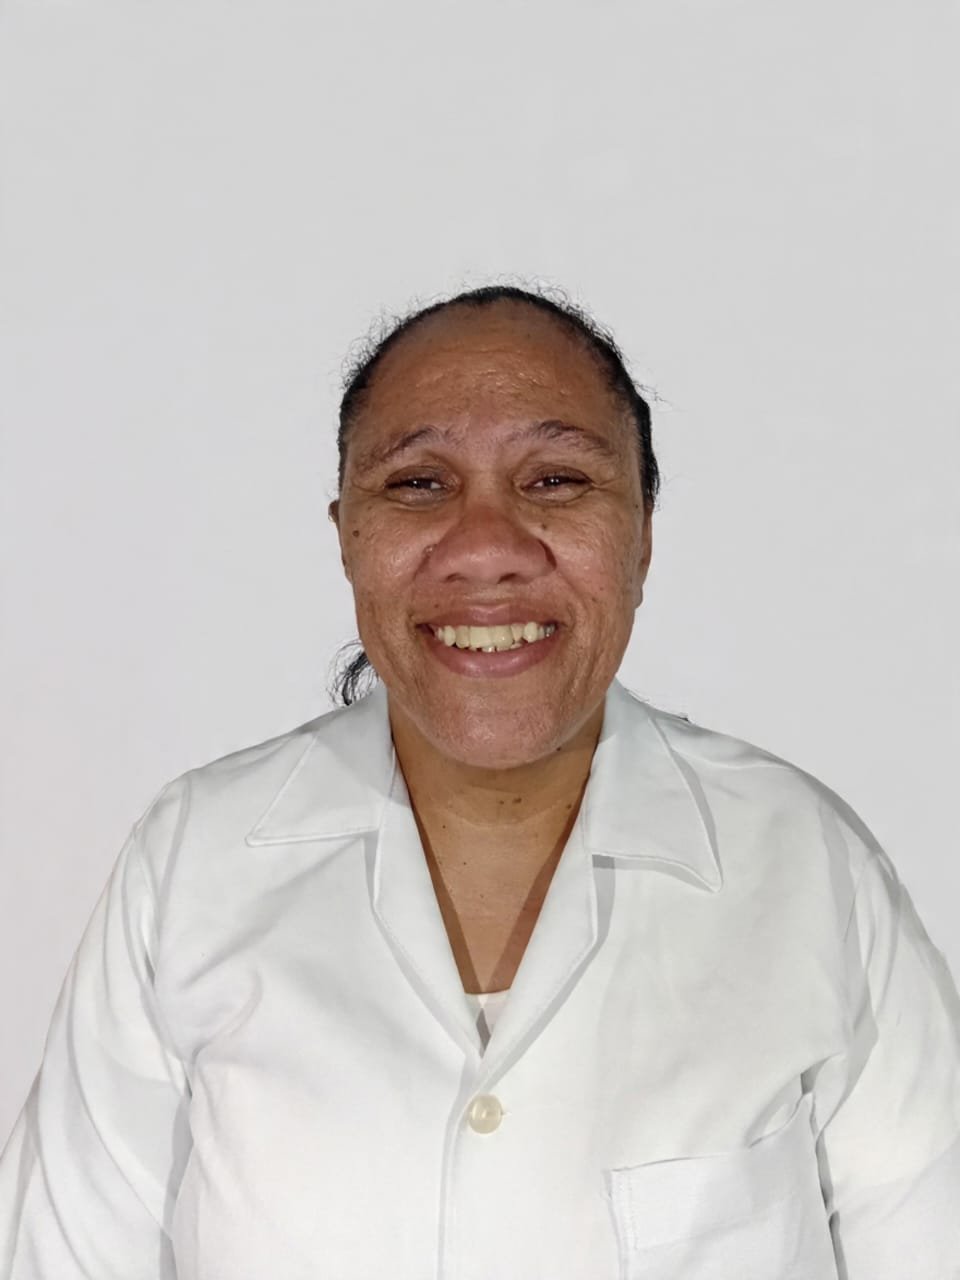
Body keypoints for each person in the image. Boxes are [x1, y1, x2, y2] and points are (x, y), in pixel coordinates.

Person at [1, 284, 958, 1279]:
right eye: (419, 483)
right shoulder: (197, 862)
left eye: (556, 480)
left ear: (642, 533)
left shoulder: (800, 863)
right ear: (346, 534)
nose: (487, 548)